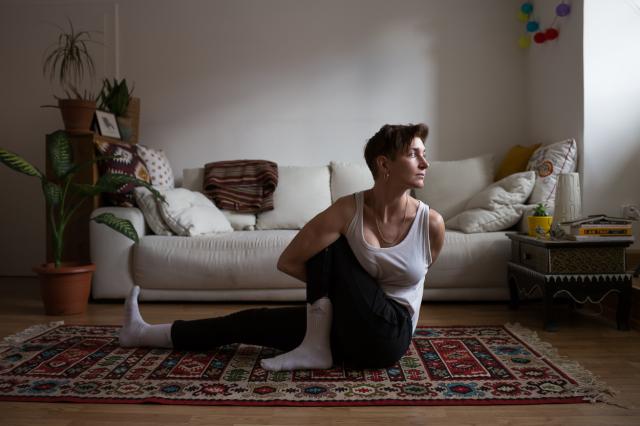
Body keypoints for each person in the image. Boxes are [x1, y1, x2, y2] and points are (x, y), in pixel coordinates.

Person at [119, 123, 445, 371]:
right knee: (252, 321)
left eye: (424, 154)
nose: (425, 163)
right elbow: (289, 260)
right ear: (385, 165)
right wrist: (338, 296)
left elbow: (416, 281)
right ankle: (145, 333)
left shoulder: (430, 224)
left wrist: (341, 288)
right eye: (414, 154)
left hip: (389, 338)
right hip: (345, 327)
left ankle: (316, 347)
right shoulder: (350, 209)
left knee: (330, 247)